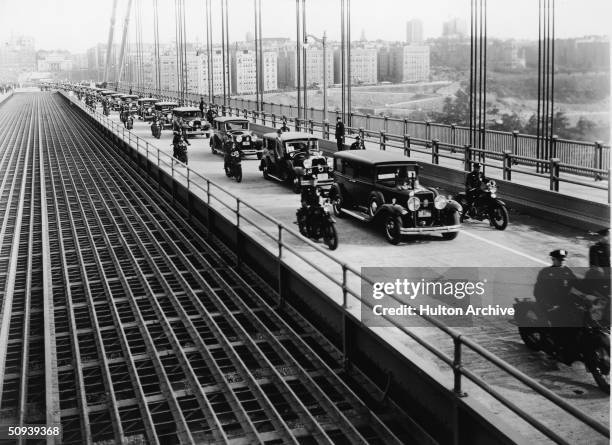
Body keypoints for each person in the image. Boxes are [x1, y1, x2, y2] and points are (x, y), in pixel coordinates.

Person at [533, 249, 586, 363]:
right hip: (551, 305)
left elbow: (579, 285)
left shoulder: (567, 271)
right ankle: (554, 351)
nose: (562, 262)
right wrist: (547, 305)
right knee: (558, 328)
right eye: (559, 260)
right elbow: (538, 292)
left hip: (565, 304)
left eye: (563, 260)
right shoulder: (546, 272)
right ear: (553, 260)